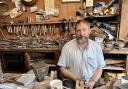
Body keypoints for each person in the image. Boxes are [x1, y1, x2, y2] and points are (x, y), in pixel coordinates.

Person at [57, 19, 105, 89]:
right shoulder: (67, 47)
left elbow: (100, 67)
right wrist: (76, 79)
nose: (81, 33)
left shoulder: (96, 47)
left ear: (89, 31)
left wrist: (93, 81)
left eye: (84, 30)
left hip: (92, 81)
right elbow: (62, 68)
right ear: (75, 32)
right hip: (73, 81)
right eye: (78, 30)